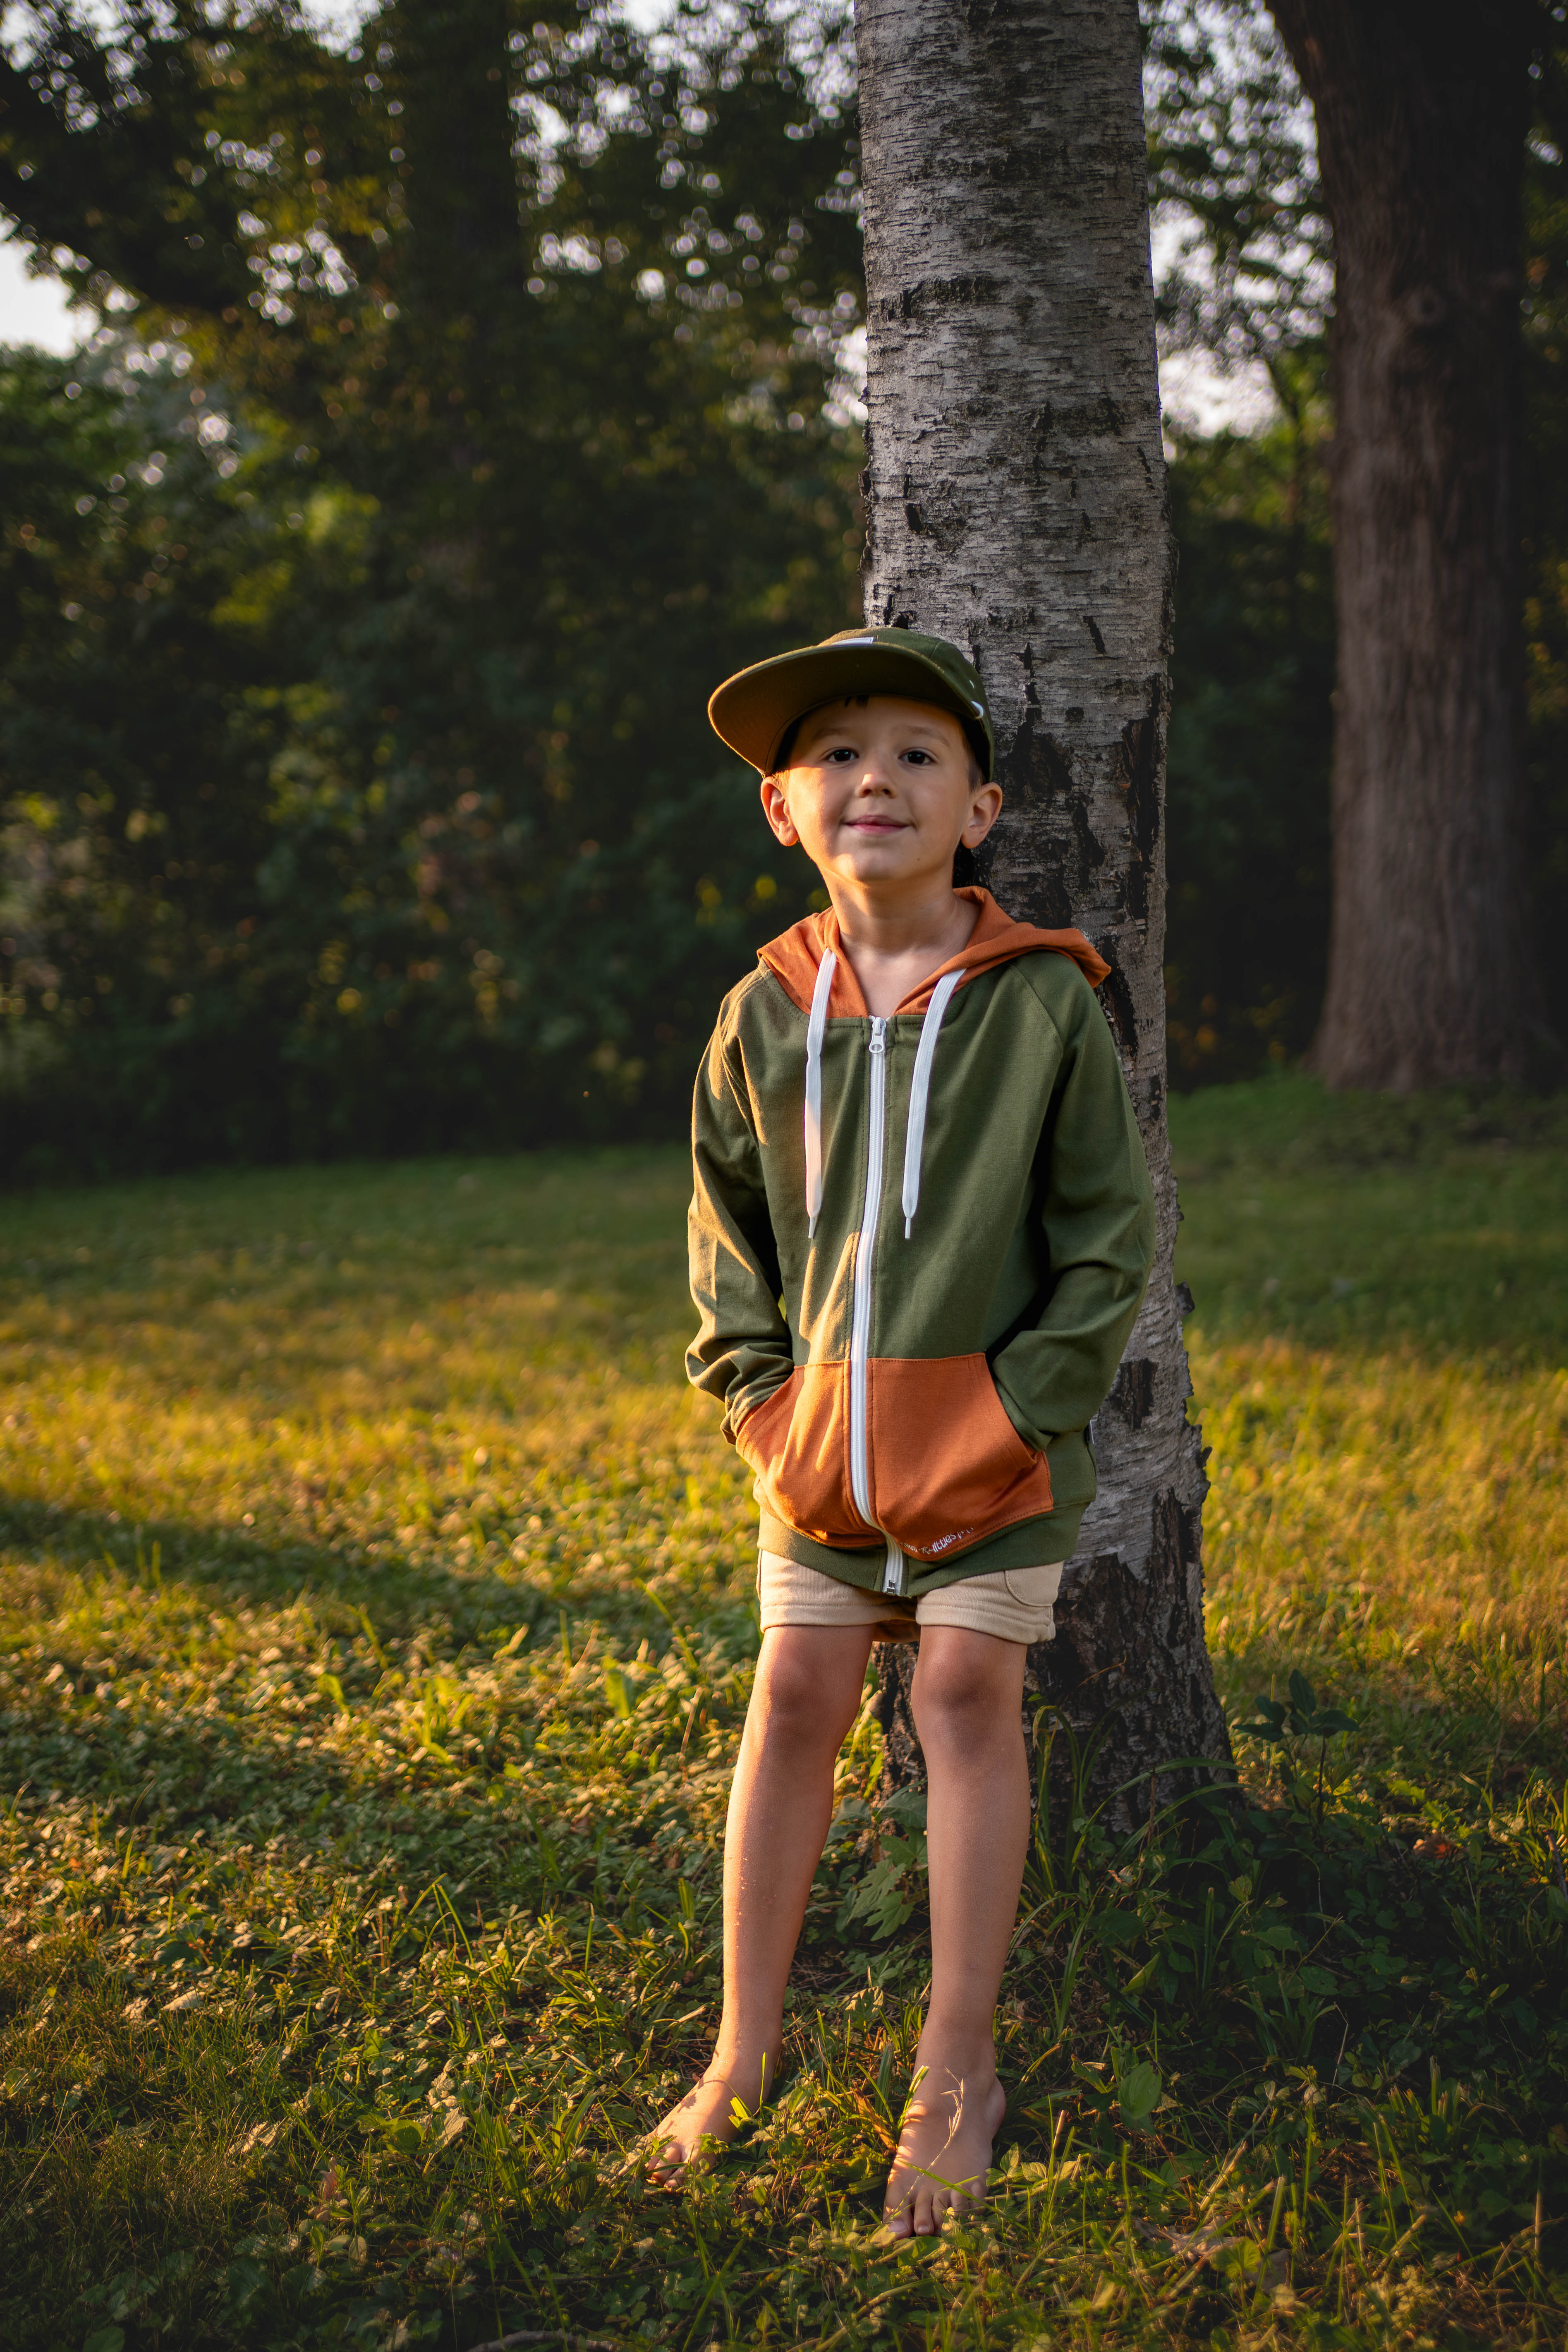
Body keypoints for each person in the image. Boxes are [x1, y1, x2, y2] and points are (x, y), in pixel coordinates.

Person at [646, 626, 1155, 2235]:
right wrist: (760, 1399)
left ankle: (958, 2063)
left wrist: (1024, 1406)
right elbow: (723, 1232)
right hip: (819, 1450)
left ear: (982, 808)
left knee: (958, 1685)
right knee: (794, 1689)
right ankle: (741, 2049)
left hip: (992, 1449)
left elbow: (1105, 1236)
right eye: (837, 756)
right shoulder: (758, 1013)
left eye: (918, 753)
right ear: (782, 814)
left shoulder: (1043, 1007)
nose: (877, 776)